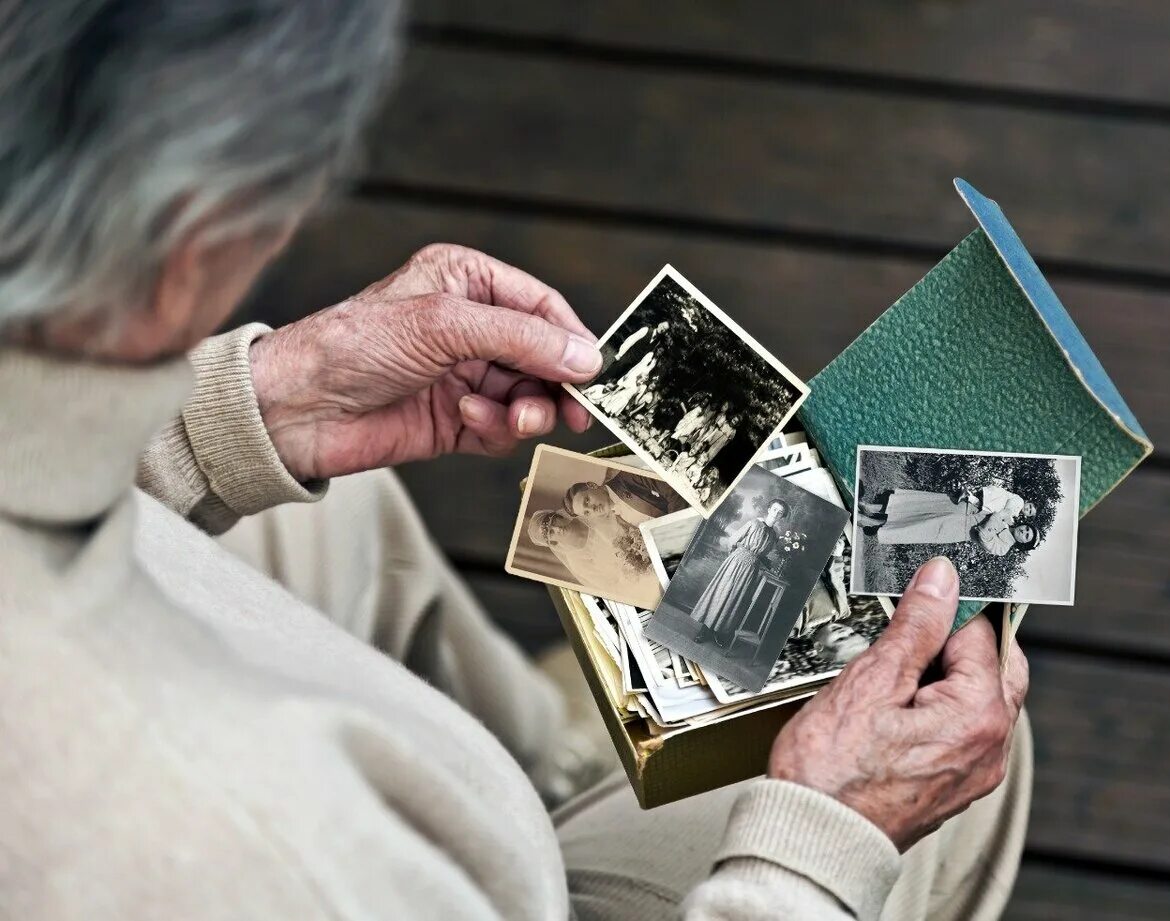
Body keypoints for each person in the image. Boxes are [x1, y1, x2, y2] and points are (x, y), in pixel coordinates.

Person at [1, 3, 1032, 918]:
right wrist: (815, 852)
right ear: (201, 234)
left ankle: (558, 756)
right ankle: (575, 779)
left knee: (316, 510)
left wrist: (216, 425)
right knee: (963, 760)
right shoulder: (251, 847)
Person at [692, 499, 788, 647]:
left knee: (735, 599)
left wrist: (765, 562)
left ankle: (718, 632)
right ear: (769, 509)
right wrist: (736, 557)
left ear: (782, 516)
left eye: (780, 512)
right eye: (774, 509)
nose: (776, 513)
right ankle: (704, 630)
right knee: (722, 593)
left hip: (752, 569)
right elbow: (733, 541)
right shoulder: (754, 523)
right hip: (736, 561)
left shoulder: (774, 536)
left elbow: (763, 553)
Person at [859, 483, 1030, 551]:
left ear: (1023, 543)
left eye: (1026, 536)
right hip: (962, 506)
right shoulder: (1010, 517)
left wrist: (997, 516)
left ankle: (871, 522)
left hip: (957, 528)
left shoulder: (1004, 548)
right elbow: (990, 502)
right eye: (1027, 529)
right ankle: (871, 508)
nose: (1024, 531)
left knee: (915, 524)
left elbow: (984, 537)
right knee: (916, 505)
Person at [563, 469, 689, 525]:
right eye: (587, 512)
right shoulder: (620, 521)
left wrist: (677, 528)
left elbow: (672, 490)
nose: (592, 509)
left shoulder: (627, 477)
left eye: (587, 501)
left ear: (592, 485)